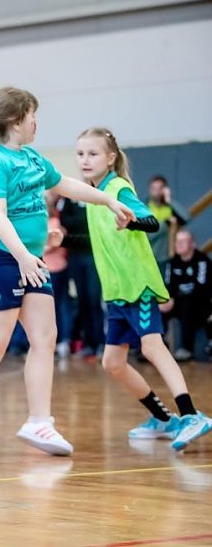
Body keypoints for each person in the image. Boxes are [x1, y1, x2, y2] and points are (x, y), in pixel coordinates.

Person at [0, 87, 133, 458]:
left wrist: (109, 200)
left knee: (45, 337)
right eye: (33, 115)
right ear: (17, 120)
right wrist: (21, 255)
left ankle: (39, 421)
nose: (36, 122)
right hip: (0, 260)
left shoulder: (34, 158)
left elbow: (66, 184)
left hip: (31, 260)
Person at [78, 127, 211, 450]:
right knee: (113, 363)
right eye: (80, 154)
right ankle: (164, 419)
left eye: (92, 153)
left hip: (137, 286)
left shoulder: (118, 188)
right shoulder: (93, 196)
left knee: (152, 347)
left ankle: (192, 415)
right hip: (117, 292)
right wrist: (63, 240)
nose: (85, 160)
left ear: (110, 158)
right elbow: (101, 240)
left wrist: (131, 221)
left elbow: (149, 220)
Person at [57, 196, 106, 357]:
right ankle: (88, 343)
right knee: (82, 300)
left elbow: (95, 222)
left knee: (94, 300)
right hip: (75, 257)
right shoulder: (71, 200)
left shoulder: (95, 198)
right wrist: (84, 222)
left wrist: (79, 223)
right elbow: (65, 221)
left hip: (93, 256)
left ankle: (100, 343)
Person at [161, 229, 211, 361]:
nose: (179, 244)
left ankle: (186, 349)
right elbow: (168, 285)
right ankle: (159, 344)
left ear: (192, 244)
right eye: (177, 241)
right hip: (178, 303)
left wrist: (175, 298)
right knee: (160, 306)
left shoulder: (202, 261)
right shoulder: (172, 262)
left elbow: (201, 288)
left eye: (183, 241)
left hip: (201, 305)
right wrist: (167, 299)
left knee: (187, 304)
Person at [44, 191, 70, 358]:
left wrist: (35, 252)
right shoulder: (41, 222)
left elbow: (54, 243)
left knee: (60, 306)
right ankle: (49, 342)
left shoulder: (55, 222)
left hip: (57, 268)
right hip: (44, 269)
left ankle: (63, 341)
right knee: (47, 309)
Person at [146, 175, 190, 274]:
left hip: (167, 257)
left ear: (164, 190)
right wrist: (166, 224)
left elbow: (186, 217)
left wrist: (169, 200)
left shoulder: (170, 208)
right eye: (153, 188)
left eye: (159, 188)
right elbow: (148, 235)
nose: (156, 191)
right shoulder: (145, 208)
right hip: (149, 257)